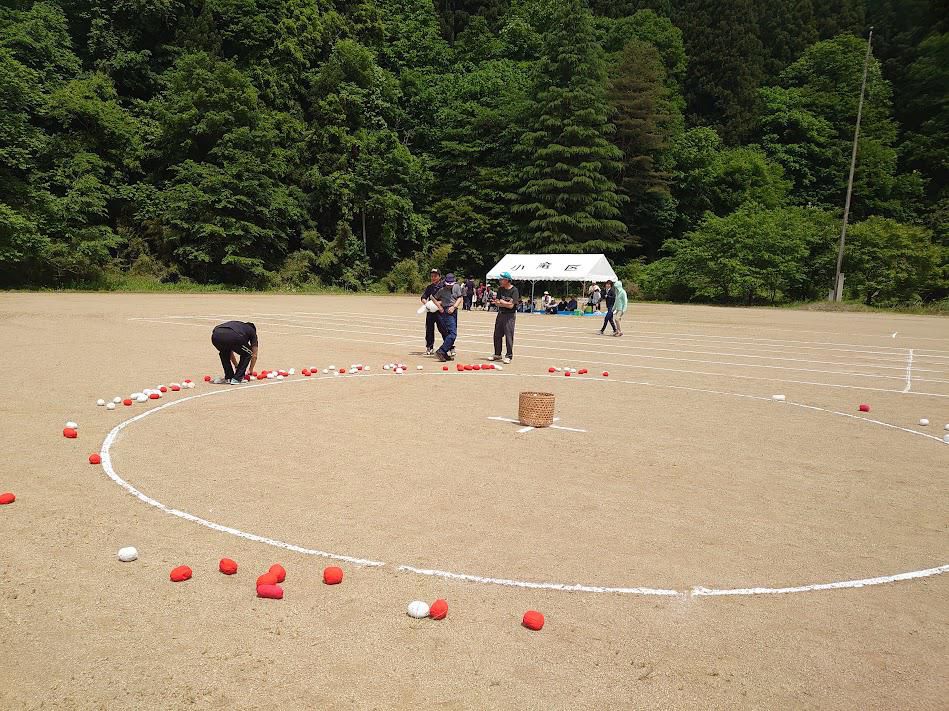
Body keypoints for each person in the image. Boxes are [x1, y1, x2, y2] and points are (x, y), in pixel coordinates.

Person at [490, 271, 518, 363]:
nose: (500, 280)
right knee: (497, 334)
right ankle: (497, 354)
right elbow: (497, 302)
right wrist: (504, 303)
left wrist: (502, 302)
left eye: (501, 279)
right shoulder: (500, 289)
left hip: (509, 315)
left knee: (509, 335)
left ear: (507, 280)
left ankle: (509, 356)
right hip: (500, 314)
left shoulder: (514, 290)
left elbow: (511, 306)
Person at [433, 273, 463, 361]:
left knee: (450, 334)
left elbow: (459, 297)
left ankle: (444, 353)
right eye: (447, 284)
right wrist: (439, 307)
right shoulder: (441, 289)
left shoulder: (457, 287)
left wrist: (454, 307)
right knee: (453, 334)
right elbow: (433, 297)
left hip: (454, 310)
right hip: (446, 312)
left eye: (451, 284)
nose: (449, 286)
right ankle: (441, 351)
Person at [421, 268, 446, 355]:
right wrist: (427, 304)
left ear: (439, 276)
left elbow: (447, 299)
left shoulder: (443, 287)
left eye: (435, 276)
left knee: (443, 329)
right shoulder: (429, 287)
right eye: (432, 276)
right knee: (429, 329)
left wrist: (437, 304)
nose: (433, 278)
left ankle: (448, 346)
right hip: (430, 312)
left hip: (440, 312)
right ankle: (429, 347)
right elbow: (423, 297)